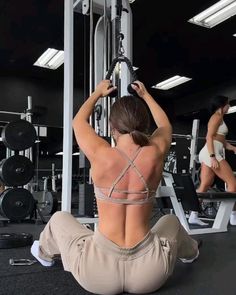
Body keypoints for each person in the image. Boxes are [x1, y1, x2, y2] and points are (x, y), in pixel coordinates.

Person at [31, 80, 200, 295]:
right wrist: (146, 95)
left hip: (96, 274)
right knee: (171, 221)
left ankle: (44, 255)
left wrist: (97, 93)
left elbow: (78, 122)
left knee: (58, 219)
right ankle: (191, 252)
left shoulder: (101, 154)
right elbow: (165, 126)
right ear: (146, 127)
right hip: (150, 273)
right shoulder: (156, 152)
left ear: (112, 127)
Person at [189, 95, 236, 226]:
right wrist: (212, 157)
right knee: (233, 183)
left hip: (209, 152)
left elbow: (220, 139)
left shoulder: (219, 118)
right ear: (222, 106)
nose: (229, 106)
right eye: (228, 104)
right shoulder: (216, 117)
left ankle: (193, 215)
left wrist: (232, 148)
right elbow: (209, 137)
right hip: (212, 153)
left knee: (205, 183)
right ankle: (232, 216)